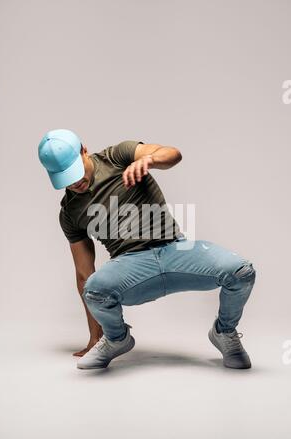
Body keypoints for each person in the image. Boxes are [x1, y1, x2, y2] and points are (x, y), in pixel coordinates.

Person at [38, 129, 256, 370]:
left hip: (176, 251)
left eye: (75, 171)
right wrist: (94, 336)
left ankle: (224, 333)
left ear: (84, 150)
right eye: (64, 177)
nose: (74, 182)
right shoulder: (69, 212)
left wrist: (148, 160)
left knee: (241, 272)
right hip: (131, 266)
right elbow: (83, 273)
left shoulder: (116, 156)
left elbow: (173, 154)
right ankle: (116, 338)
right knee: (93, 290)